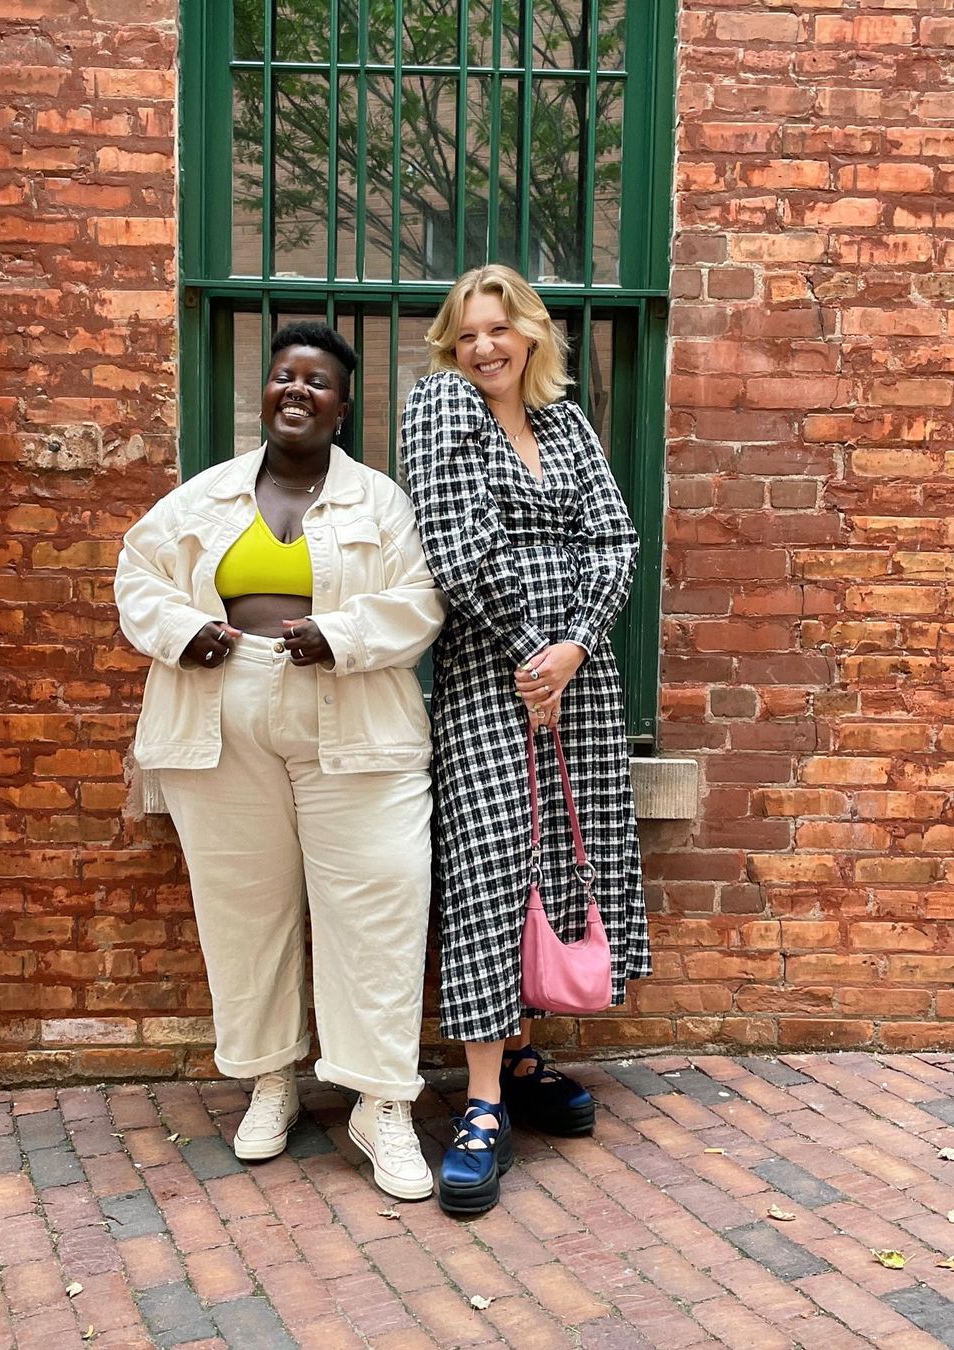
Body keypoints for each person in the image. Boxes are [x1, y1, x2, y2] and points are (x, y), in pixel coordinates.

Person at [115, 323, 446, 1201]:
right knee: (242, 907)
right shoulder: (204, 497)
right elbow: (136, 575)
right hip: (220, 713)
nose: (297, 389)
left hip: (356, 713)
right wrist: (183, 631)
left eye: (317, 381)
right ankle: (270, 1079)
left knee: (380, 904)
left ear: (343, 406)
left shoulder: (382, 503)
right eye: (283, 375)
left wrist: (341, 634)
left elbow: (423, 599)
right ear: (265, 394)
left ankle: (382, 1101)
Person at [401, 265, 650, 1215]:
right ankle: (482, 1103)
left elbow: (616, 542)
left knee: (558, 859)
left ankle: (521, 1052)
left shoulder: (568, 425)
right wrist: (527, 654)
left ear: (532, 335)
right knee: (491, 861)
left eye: (499, 329)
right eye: (466, 333)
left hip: (578, 680)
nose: (484, 347)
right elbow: (457, 544)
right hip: (489, 675)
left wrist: (574, 647)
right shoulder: (439, 409)